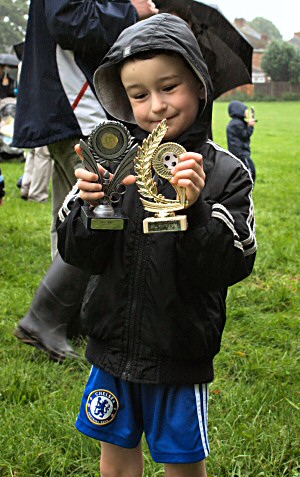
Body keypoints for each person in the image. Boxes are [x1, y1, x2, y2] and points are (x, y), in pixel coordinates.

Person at [57, 14, 257, 477]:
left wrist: (195, 210)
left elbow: (232, 263)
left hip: (179, 349)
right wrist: (90, 209)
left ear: (199, 84)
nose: (157, 106)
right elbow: (77, 254)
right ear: (122, 100)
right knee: (116, 461)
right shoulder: (111, 162)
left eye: (170, 87)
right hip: (112, 344)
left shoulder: (225, 172)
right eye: (139, 94)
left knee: (182, 463)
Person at [13, 0, 158, 361]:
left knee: (74, 209)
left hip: (67, 104)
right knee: (107, 204)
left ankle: (65, 318)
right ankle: (44, 318)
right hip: (79, 103)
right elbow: (68, 19)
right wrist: (131, 11)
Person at [226, 100, 257, 183]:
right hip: (240, 153)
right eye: (245, 110)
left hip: (240, 153)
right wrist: (250, 126)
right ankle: (247, 188)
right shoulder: (236, 124)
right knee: (249, 172)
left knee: (249, 170)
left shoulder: (237, 122)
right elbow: (245, 135)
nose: (247, 112)